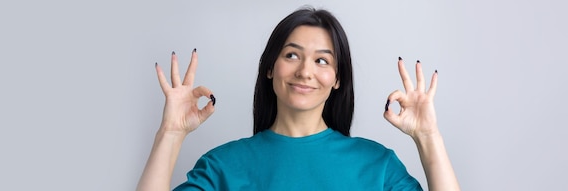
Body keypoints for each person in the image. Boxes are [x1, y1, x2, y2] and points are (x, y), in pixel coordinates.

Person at [137, 7, 460, 191]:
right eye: (292, 55)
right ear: (269, 68)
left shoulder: (377, 165)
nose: (305, 71)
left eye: (322, 60)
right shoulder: (223, 166)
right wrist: (171, 133)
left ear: (337, 80)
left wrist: (428, 137)